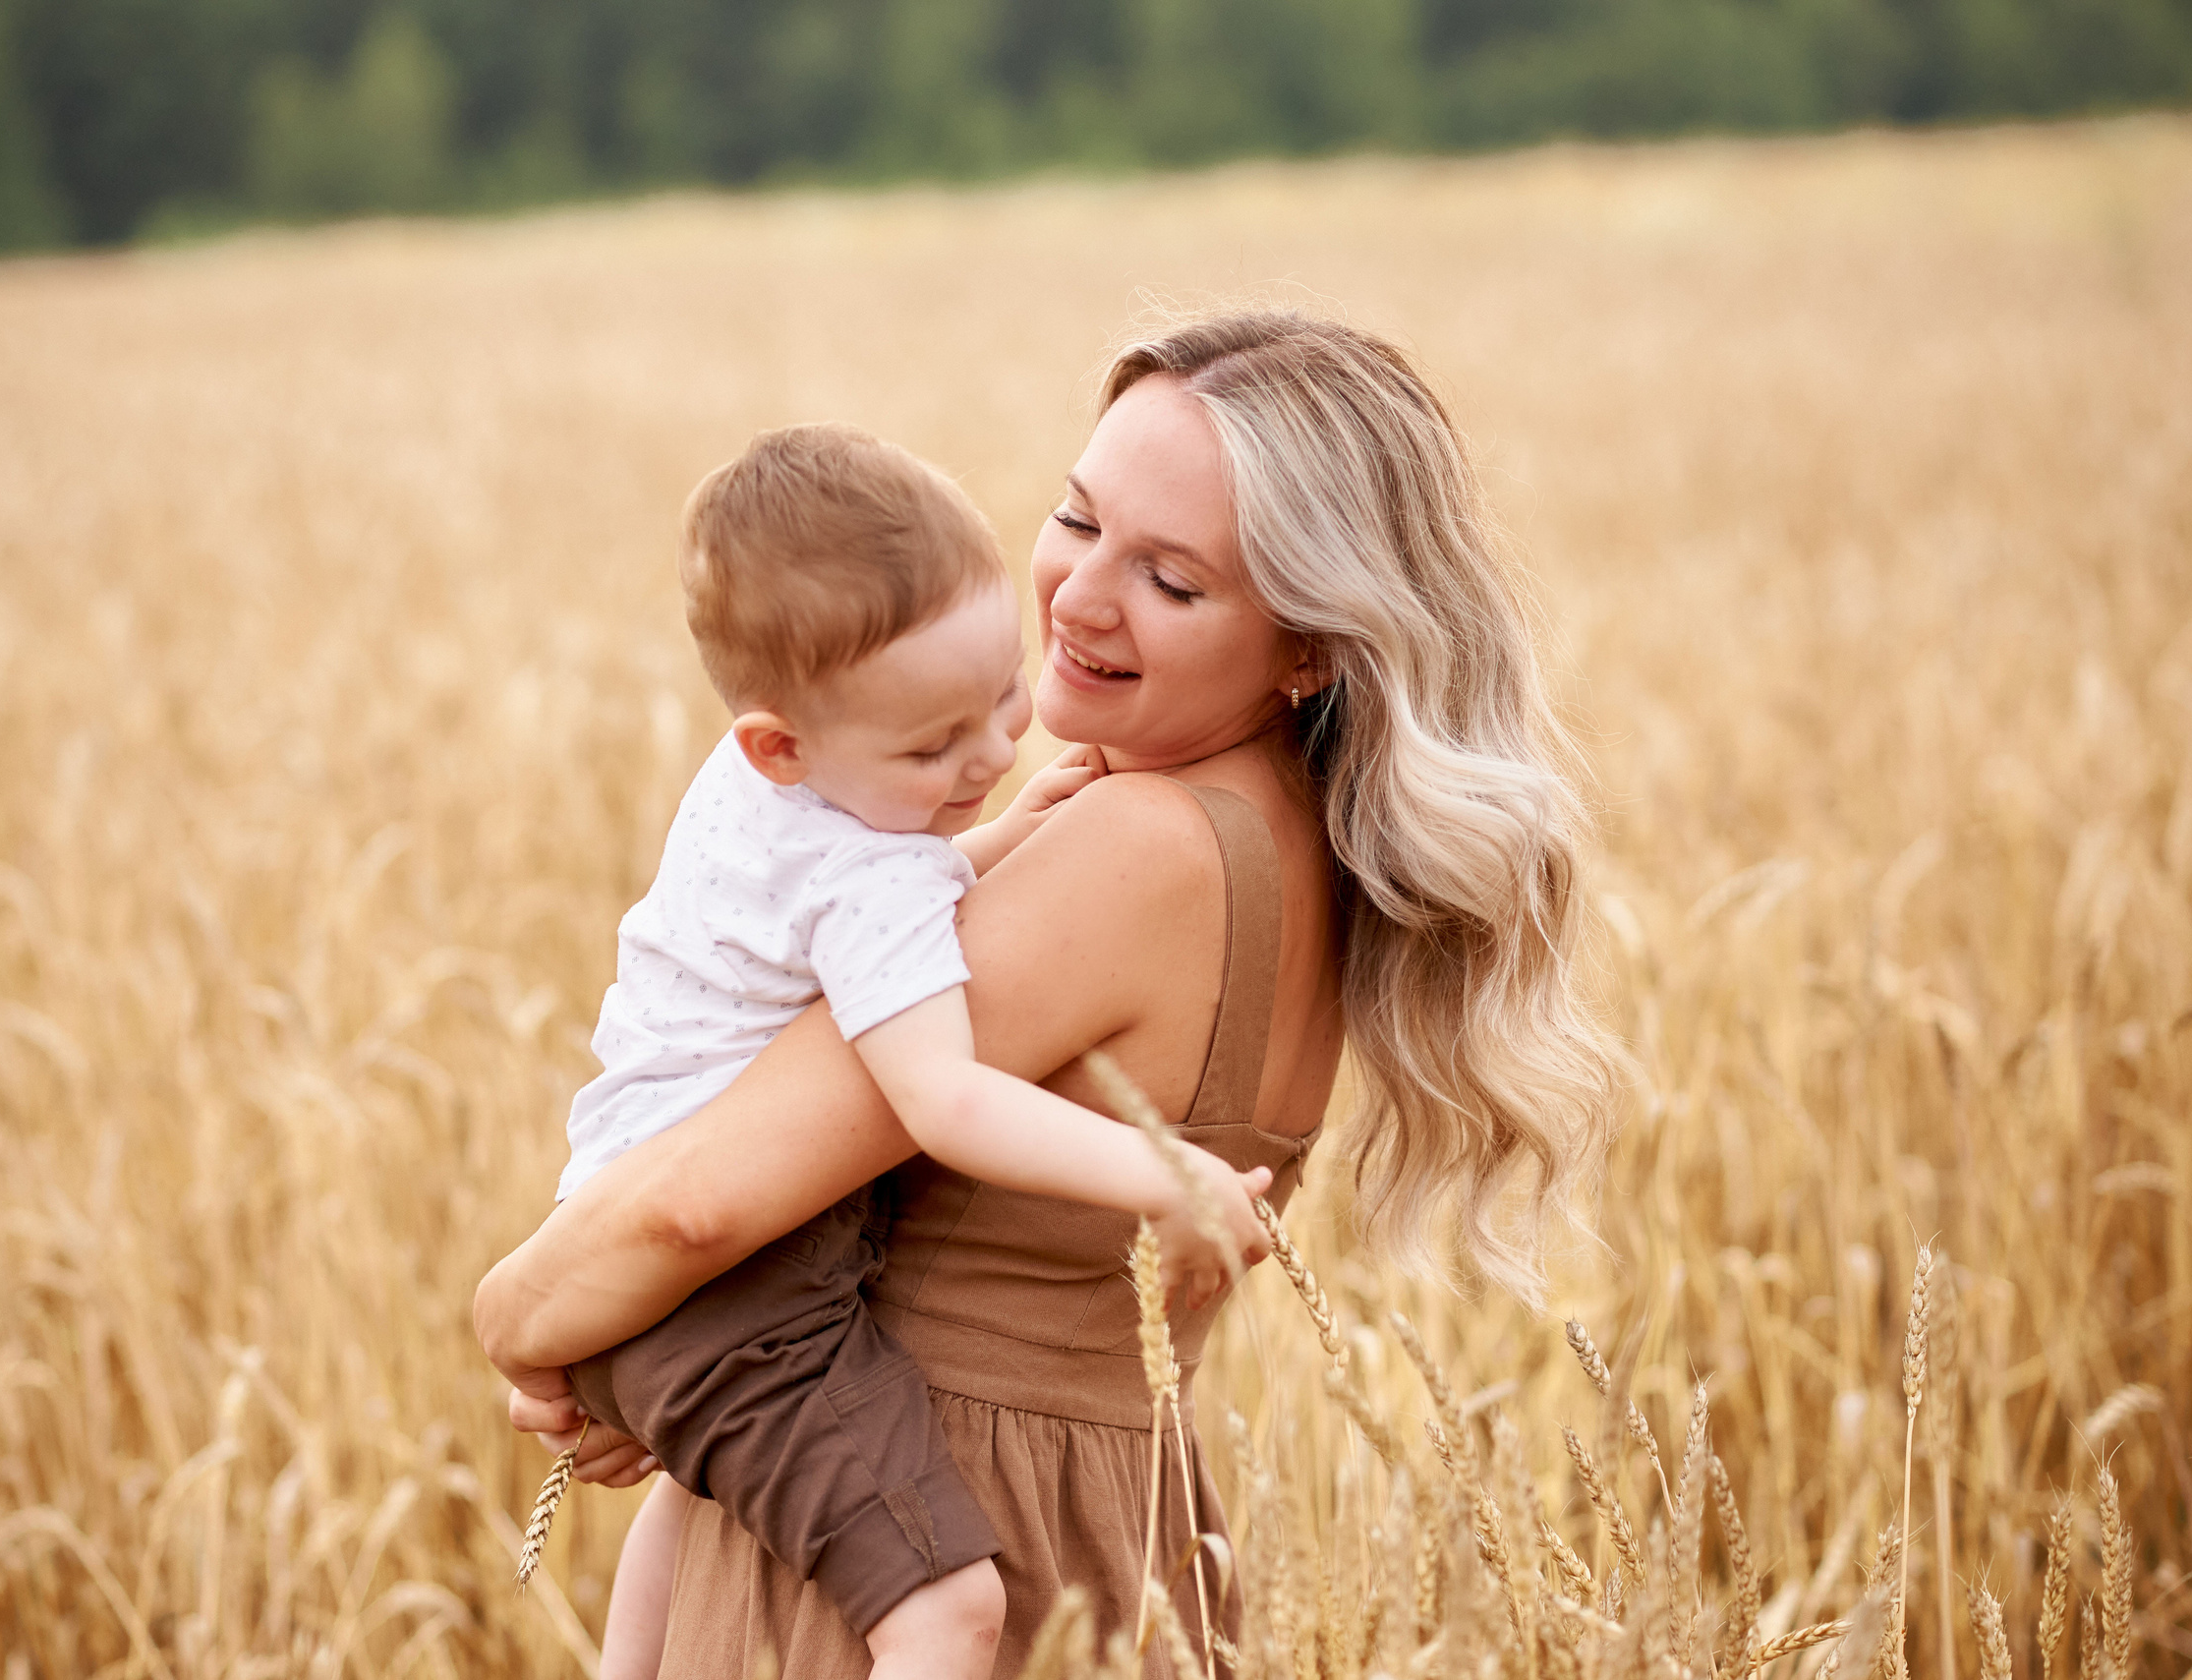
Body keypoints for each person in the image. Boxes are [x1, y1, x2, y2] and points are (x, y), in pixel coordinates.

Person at [474, 309, 1618, 1676]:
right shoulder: (1288, 846)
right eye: (1078, 519)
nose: (1077, 597)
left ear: (1312, 646)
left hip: (910, 1557)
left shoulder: (1139, 853)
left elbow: (696, 1198)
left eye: (1174, 582)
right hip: (1106, 1530)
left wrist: (526, 1324)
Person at [533, 421, 1273, 1680]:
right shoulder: (871, 862)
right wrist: (1165, 1172)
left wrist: (982, 842)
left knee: (703, 1496)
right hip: (729, 1273)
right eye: (936, 747)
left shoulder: (786, 780)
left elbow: (862, 915)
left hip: (632, 1223)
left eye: (998, 703)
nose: (990, 758)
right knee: (947, 1614)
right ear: (780, 740)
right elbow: (945, 1099)